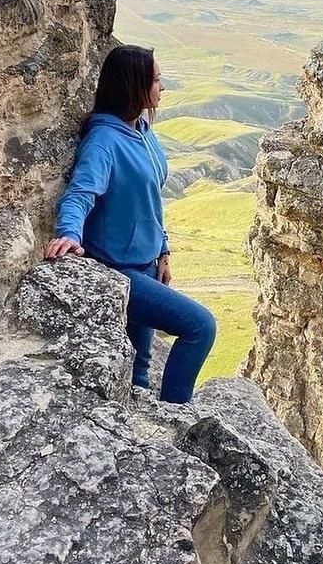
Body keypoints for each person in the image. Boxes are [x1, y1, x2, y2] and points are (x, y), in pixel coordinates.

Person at [44, 44, 216, 403]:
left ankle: (141, 423)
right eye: (155, 79)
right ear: (134, 84)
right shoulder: (104, 141)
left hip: (149, 264)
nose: (162, 87)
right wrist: (68, 234)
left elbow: (150, 198)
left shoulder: (141, 128)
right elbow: (81, 193)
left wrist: (163, 249)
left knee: (140, 368)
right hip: (119, 271)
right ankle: (176, 414)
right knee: (200, 326)